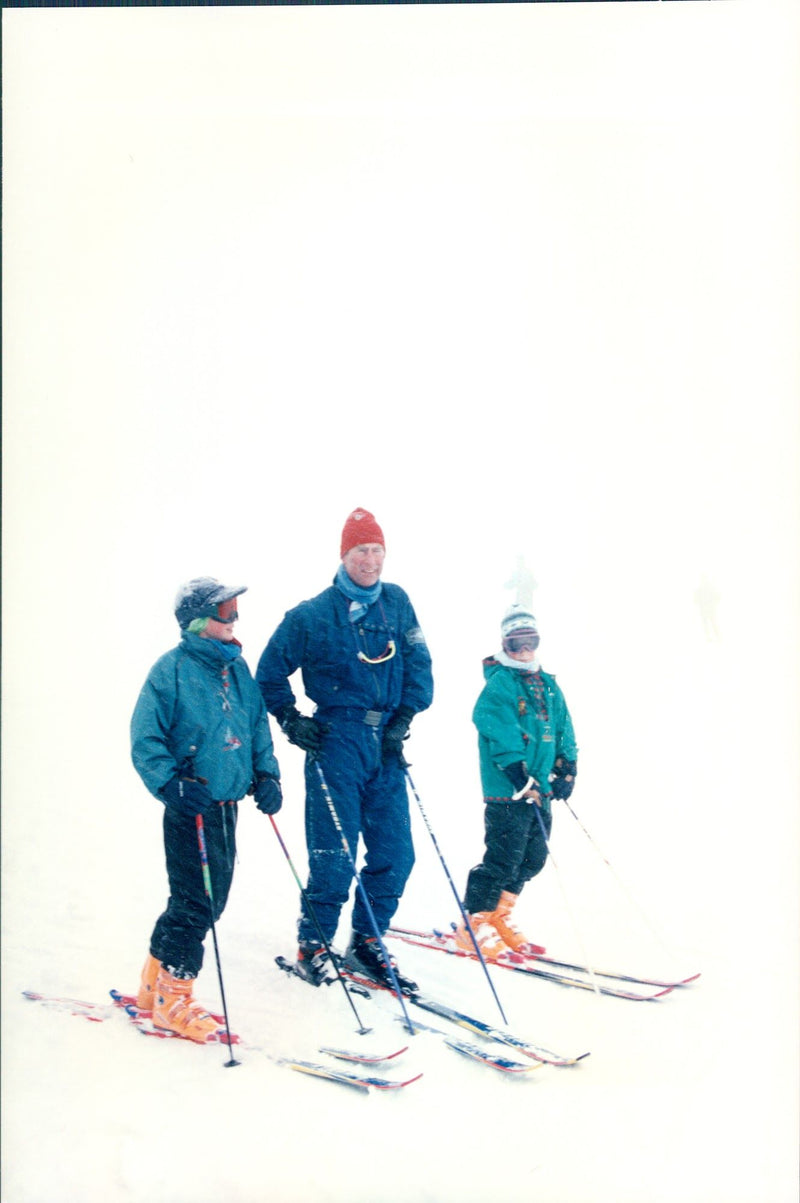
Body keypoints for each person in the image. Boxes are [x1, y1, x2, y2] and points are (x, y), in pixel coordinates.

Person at [256, 508, 433, 990]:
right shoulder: (312, 615)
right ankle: (313, 945)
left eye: (377, 550)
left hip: (386, 745)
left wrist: (405, 717)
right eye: (361, 551)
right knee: (335, 853)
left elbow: (419, 664)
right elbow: (269, 674)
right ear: (344, 555)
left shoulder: (396, 603)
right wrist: (292, 721)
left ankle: (367, 943)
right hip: (338, 742)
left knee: (396, 852)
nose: (371, 561)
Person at [131, 577, 282, 1042]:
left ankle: (153, 985)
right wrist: (170, 785)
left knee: (207, 900)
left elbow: (255, 725)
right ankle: (172, 999)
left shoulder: (237, 670)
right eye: (227, 610)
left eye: (235, 608)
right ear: (199, 621)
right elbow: (145, 739)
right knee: (196, 902)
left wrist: (267, 773)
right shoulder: (170, 671)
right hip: (190, 806)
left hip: (225, 805)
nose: (235, 618)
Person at [454, 604, 578, 960]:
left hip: (540, 790)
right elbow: (498, 730)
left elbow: (564, 726)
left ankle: (499, 916)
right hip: (508, 792)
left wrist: (567, 766)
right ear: (504, 645)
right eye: (515, 644)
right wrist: (518, 775)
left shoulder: (548, 684)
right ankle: (474, 924)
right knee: (503, 859)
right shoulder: (500, 685)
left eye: (530, 641)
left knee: (532, 858)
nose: (524, 650)